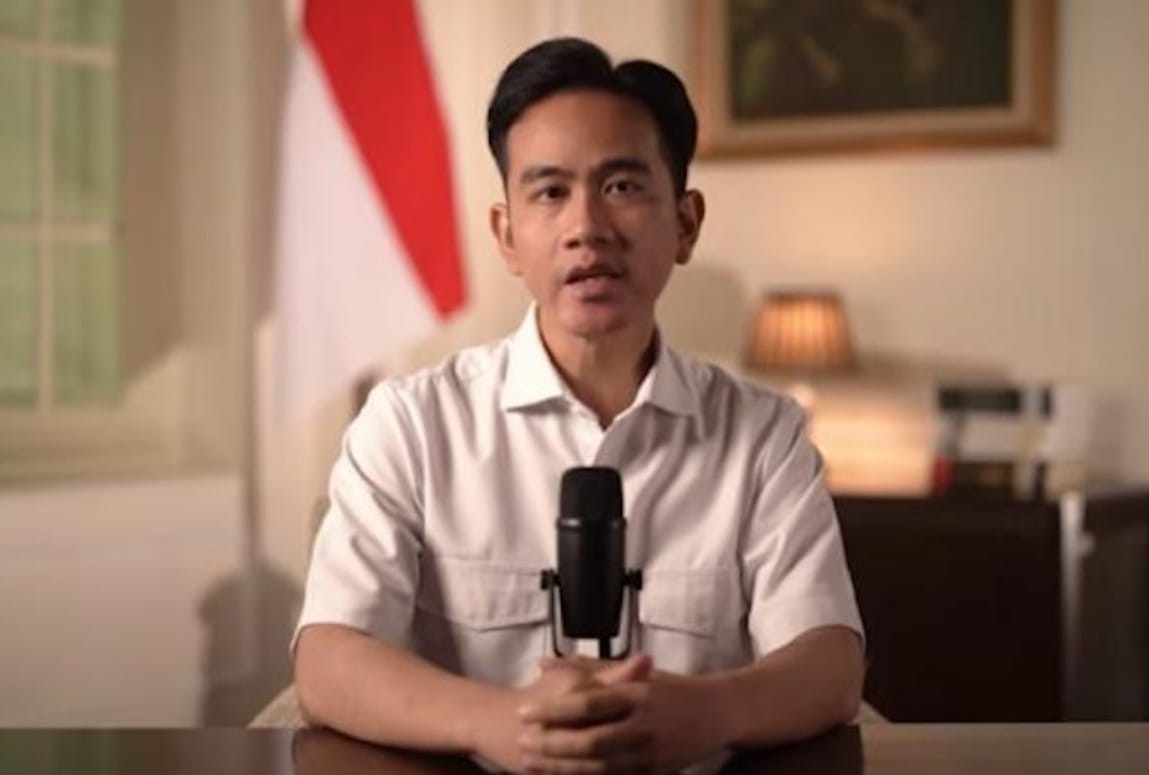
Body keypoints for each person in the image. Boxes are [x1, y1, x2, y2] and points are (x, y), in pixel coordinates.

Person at [293, 37, 865, 774]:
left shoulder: (763, 435)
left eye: (621, 186)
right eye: (550, 192)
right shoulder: (409, 424)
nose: (586, 227)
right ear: (507, 235)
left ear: (685, 223)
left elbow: (828, 660)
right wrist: (496, 721)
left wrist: (708, 711)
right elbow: (329, 657)